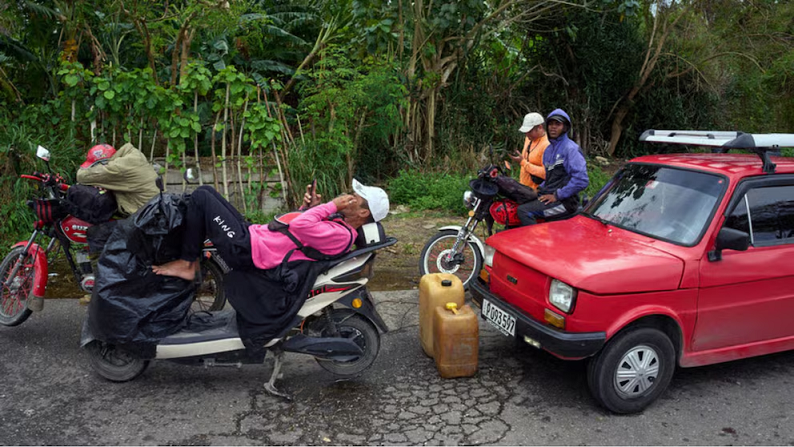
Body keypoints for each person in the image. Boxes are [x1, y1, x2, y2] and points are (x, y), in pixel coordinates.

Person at [152, 179, 390, 281]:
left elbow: (300, 226)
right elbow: (299, 232)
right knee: (209, 194)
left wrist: (329, 206)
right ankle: (188, 259)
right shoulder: (339, 224)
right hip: (255, 237)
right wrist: (311, 207)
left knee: (202, 196)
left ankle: (187, 264)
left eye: (354, 200)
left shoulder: (341, 235)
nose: (347, 199)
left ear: (363, 214)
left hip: (249, 250)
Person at [516, 109, 589, 226]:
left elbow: (581, 180)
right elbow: (550, 178)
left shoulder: (571, 149)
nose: (553, 127)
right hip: (552, 196)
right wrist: (539, 189)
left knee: (523, 211)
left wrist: (557, 195)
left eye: (558, 124)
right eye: (551, 124)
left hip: (566, 203)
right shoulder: (549, 150)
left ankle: (534, 243)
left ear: (565, 127)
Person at [76, 142, 159, 216]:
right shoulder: (132, 156)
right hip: (155, 207)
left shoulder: (117, 168)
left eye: (95, 166)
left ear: (104, 163)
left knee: (99, 231)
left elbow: (82, 176)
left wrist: (97, 177)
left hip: (147, 216)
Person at [510, 112, 550, 190]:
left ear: (540, 127)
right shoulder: (528, 139)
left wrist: (523, 162)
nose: (527, 134)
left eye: (529, 131)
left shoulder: (547, 145)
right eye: (526, 132)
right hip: (523, 186)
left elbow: (546, 173)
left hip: (536, 192)